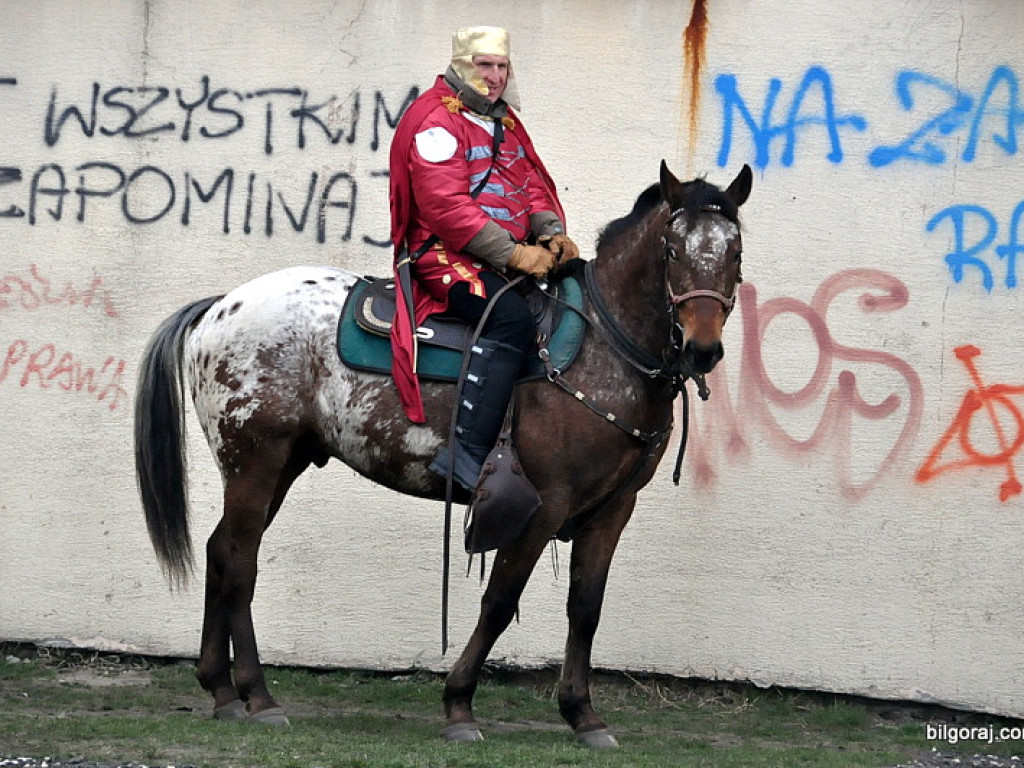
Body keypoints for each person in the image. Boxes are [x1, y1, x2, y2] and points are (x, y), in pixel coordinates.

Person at [389, 25, 579, 492]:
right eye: (484, 66)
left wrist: (551, 235)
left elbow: (530, 186)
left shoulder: (504, 122)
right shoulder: (435, 121)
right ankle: (466, 454)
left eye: (501, 67)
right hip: (442, 256)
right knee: (511, 320)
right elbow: (447, 211)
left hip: (500, 258)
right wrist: (517, 255)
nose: (494, 77)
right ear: (462, 65)